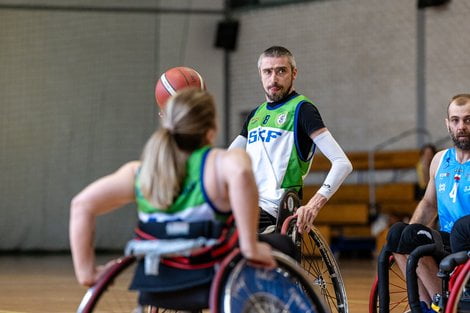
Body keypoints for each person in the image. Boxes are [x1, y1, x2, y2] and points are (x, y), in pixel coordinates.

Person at [70, 88, 283, 309]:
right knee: (283, 244)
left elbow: (81, 205)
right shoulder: (221, 163)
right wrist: (250, 246)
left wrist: (87, 273)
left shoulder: (140, 172)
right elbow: (241, 173)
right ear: (211, 130)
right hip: (211, 276)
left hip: (156, 279)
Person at [229, 46, 352, 233]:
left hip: (275, 209)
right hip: (248, 201)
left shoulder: (303, 109)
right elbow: (227, 158)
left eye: (281, 71)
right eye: (267, 72)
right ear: (260, 74)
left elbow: (342, 163)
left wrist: (314, 204)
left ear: (294, 73)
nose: (274, 79)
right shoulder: (255, 114)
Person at [387, 94, 470, 313]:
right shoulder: (440, 160)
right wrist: (409, 232)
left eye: (468, 120)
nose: (461, 126)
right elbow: (428, 204)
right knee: (398, 234)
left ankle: (445, 305)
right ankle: (426, 305)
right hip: (447, 240)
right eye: (456, 120)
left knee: (451, 231)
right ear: (448, 124)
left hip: (467, 242)